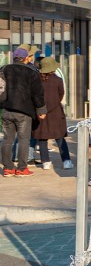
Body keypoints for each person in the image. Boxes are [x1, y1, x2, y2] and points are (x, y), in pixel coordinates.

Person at [1, 48, 47, 177]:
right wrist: (41, 110)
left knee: (7, 140)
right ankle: (22, 169)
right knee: (24, 140)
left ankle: (8, 168)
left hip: (6, 110)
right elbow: (38, 93)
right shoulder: (31, 72)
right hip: (24, 112)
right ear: (26, 58)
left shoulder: (4, 69)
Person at [34, 57, 71, 170]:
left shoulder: (36, 80)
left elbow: (34, 96)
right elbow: (61, 94)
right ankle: (66, 161)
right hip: (56, 112)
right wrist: (54, 103)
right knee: (59, 137)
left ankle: (46, 162)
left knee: (42, 138)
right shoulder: (58, 80)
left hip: (41, 112)